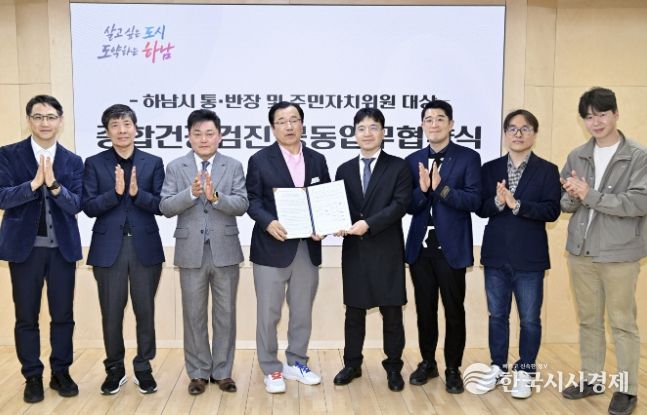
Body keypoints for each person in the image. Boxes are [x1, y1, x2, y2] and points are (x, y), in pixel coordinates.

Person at [560, 87, 646, 415]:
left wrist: (589, 194)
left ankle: (626, 388)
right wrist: (571, 194)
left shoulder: (638, 156)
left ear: (616, 114)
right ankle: (591, 379)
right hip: (581, 251)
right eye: (589, 117)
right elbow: (566, 204)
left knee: (622, 323)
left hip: (620, 253)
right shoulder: (577, 155)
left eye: (602, 114)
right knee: (588, 320)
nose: (595, 122)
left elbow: (638, 203)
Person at [0, 95, 83, 403]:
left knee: (63, 315)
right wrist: (34, 184)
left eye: (50, 117)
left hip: (62, 250)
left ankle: (61, 372)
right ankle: (32, 376)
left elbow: (77, 204)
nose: (44, 122)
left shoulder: (73, 161)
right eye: (38, 117)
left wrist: (55, 186)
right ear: (29, 121)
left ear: (60, 121)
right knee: (26, 316)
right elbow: (2, 197)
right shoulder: (8, 155)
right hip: (25, 251)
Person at [160, 109, 248, 395]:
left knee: (225, 315)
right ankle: (198, 373)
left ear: (219, 136)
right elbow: (165, 206)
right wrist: (191, 194)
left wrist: (215, 197)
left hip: (225, 250)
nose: (204, 139)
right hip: (190, 252)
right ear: (189, 136)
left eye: (210, 133)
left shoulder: (233, 166)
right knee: (193, 315)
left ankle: (222, 372)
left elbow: (242, 204)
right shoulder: (176, 167)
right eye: (197, 134)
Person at [245, 101, 330, 394]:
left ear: (302, 124)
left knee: (302, 311)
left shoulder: (317, 159)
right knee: (269, 314)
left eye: (294, 119)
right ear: (273, 128)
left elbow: (324, 198)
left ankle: (296, 362)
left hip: (307, 247)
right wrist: (267, 222)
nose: (289, 126)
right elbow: (252, 200)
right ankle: (271, 367)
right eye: (282, 121)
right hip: (271, 247)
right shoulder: (259, 160)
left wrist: (323, 225)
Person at [476, 109, 561, 398]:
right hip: (496, 255)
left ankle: (525, 370)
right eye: (512, 128)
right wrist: (498, 202)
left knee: (530, 319)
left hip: (530, 257)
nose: (518, 134)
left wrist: (517, 205)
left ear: (534, 134)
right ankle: (498, 366)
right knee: (497, 315)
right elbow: (480, 208)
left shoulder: (547, 170)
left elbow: (552, 210)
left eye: (525, 129)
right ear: (505, 134)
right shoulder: (490, 168)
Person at [82, 104, 165, 395]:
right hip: (109, 249)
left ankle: (143, 367)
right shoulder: (94, 163)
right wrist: (115, 194)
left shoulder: (153, 162)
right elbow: (88, 206)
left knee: (145, 311)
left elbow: (161, 205)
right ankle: (114, 369)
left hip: (145, 247)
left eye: (126, 124)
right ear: (107, 131)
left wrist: (136, 194)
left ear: (136, 128)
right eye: (115, 126)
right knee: (111, 313)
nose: (122, 130)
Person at [404, 99, 481, 393]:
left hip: (452, 247)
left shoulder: (468, 157)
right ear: (422, 125)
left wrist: (441, 189)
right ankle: (428, 362)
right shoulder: (413, 160)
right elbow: (408, 205)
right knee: (425, 310)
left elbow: (473, 200)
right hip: (420, 248)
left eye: (440, 119)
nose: (434, 124)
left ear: (451, 124)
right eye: (428, 119)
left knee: (453, 310)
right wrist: (423, 190)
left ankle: (452, 368)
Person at [332, 108, 411, 391]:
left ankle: (394, 367)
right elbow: (337, 207)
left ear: (383, 132)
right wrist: (335, 223)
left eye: (373, 127)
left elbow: (400, 205)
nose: (367, 133)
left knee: (392, 314)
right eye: (361, 128)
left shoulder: (398, 167)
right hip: (355, 251)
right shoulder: (343, 169)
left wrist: (368, 224)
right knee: (354, 313)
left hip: (386, 250)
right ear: (354, 134)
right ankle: (352, 364)